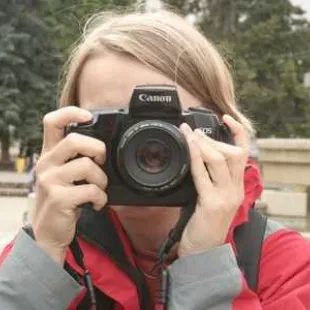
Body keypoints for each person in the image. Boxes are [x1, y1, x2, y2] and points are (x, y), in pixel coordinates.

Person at [1, 9, 310, 310]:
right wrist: (42, 262)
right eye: (115, 124)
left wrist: (205, 266)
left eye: (170, 125)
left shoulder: (288, 270)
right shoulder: (44, 254)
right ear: (69, 132)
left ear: (223, 133)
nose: (144, 147)